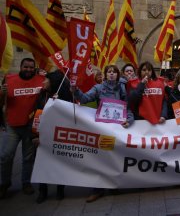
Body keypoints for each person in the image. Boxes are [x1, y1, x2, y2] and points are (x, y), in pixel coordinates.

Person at [72, 64, 134, 203]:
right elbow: (84, 99)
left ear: (118, 75)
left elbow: (127, 108)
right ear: (105, 75)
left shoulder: (123, 88)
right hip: (102, 129)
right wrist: (76, 90)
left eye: (114, 72)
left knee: (115, 158)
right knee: (100, 159)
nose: (111, 74)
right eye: (109, 72)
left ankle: (114, 186)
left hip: (118, 129)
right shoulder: (98, 88)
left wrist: (128, 121)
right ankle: (97, 190)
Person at [0, 58, 45, 199]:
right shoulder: (9, 79)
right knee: (5, 156)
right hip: (12, 125)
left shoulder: (41, 79)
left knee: (28, 157)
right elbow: (2, 102)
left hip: (30, 127)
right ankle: (5, 183)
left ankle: (26, 183)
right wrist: (1, 93)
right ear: (20, 67)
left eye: (32, 67)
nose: (29, 70)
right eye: (26, 67)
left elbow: (48, 94)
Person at [32, 70, 72, 203]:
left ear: (53, 82)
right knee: (42, 163)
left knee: (60, 163)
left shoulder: (65, 96)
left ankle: (60, 189)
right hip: (42, 135)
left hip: (58, 136)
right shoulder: (42, 95)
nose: (43, 82)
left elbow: (69, 117)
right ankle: (42, 191)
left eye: (46, 80)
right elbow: (37, 115)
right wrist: (35, 135)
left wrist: (58, 104)